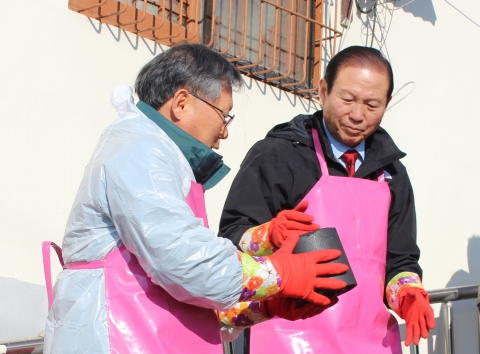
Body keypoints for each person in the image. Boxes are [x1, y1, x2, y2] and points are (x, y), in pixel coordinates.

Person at [42, 43, 350, 354]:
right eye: (224, 116)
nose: (224, 133)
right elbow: (186, 263)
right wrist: (280, 273)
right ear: (181, 103)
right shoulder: (140, 150)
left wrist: (264, 307)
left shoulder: (159, 155)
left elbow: (185, 302)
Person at [219, 45, 435, 353]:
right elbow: (231, 238)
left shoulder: (393, 174)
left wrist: (409, 294)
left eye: (372, 105)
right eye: (347, 99)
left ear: (387, 103)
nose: (358, 115)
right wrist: (267, 234)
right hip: (287, 335)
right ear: (323, 91)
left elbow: (400, 261)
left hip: (370, 341)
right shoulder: (277, 154)